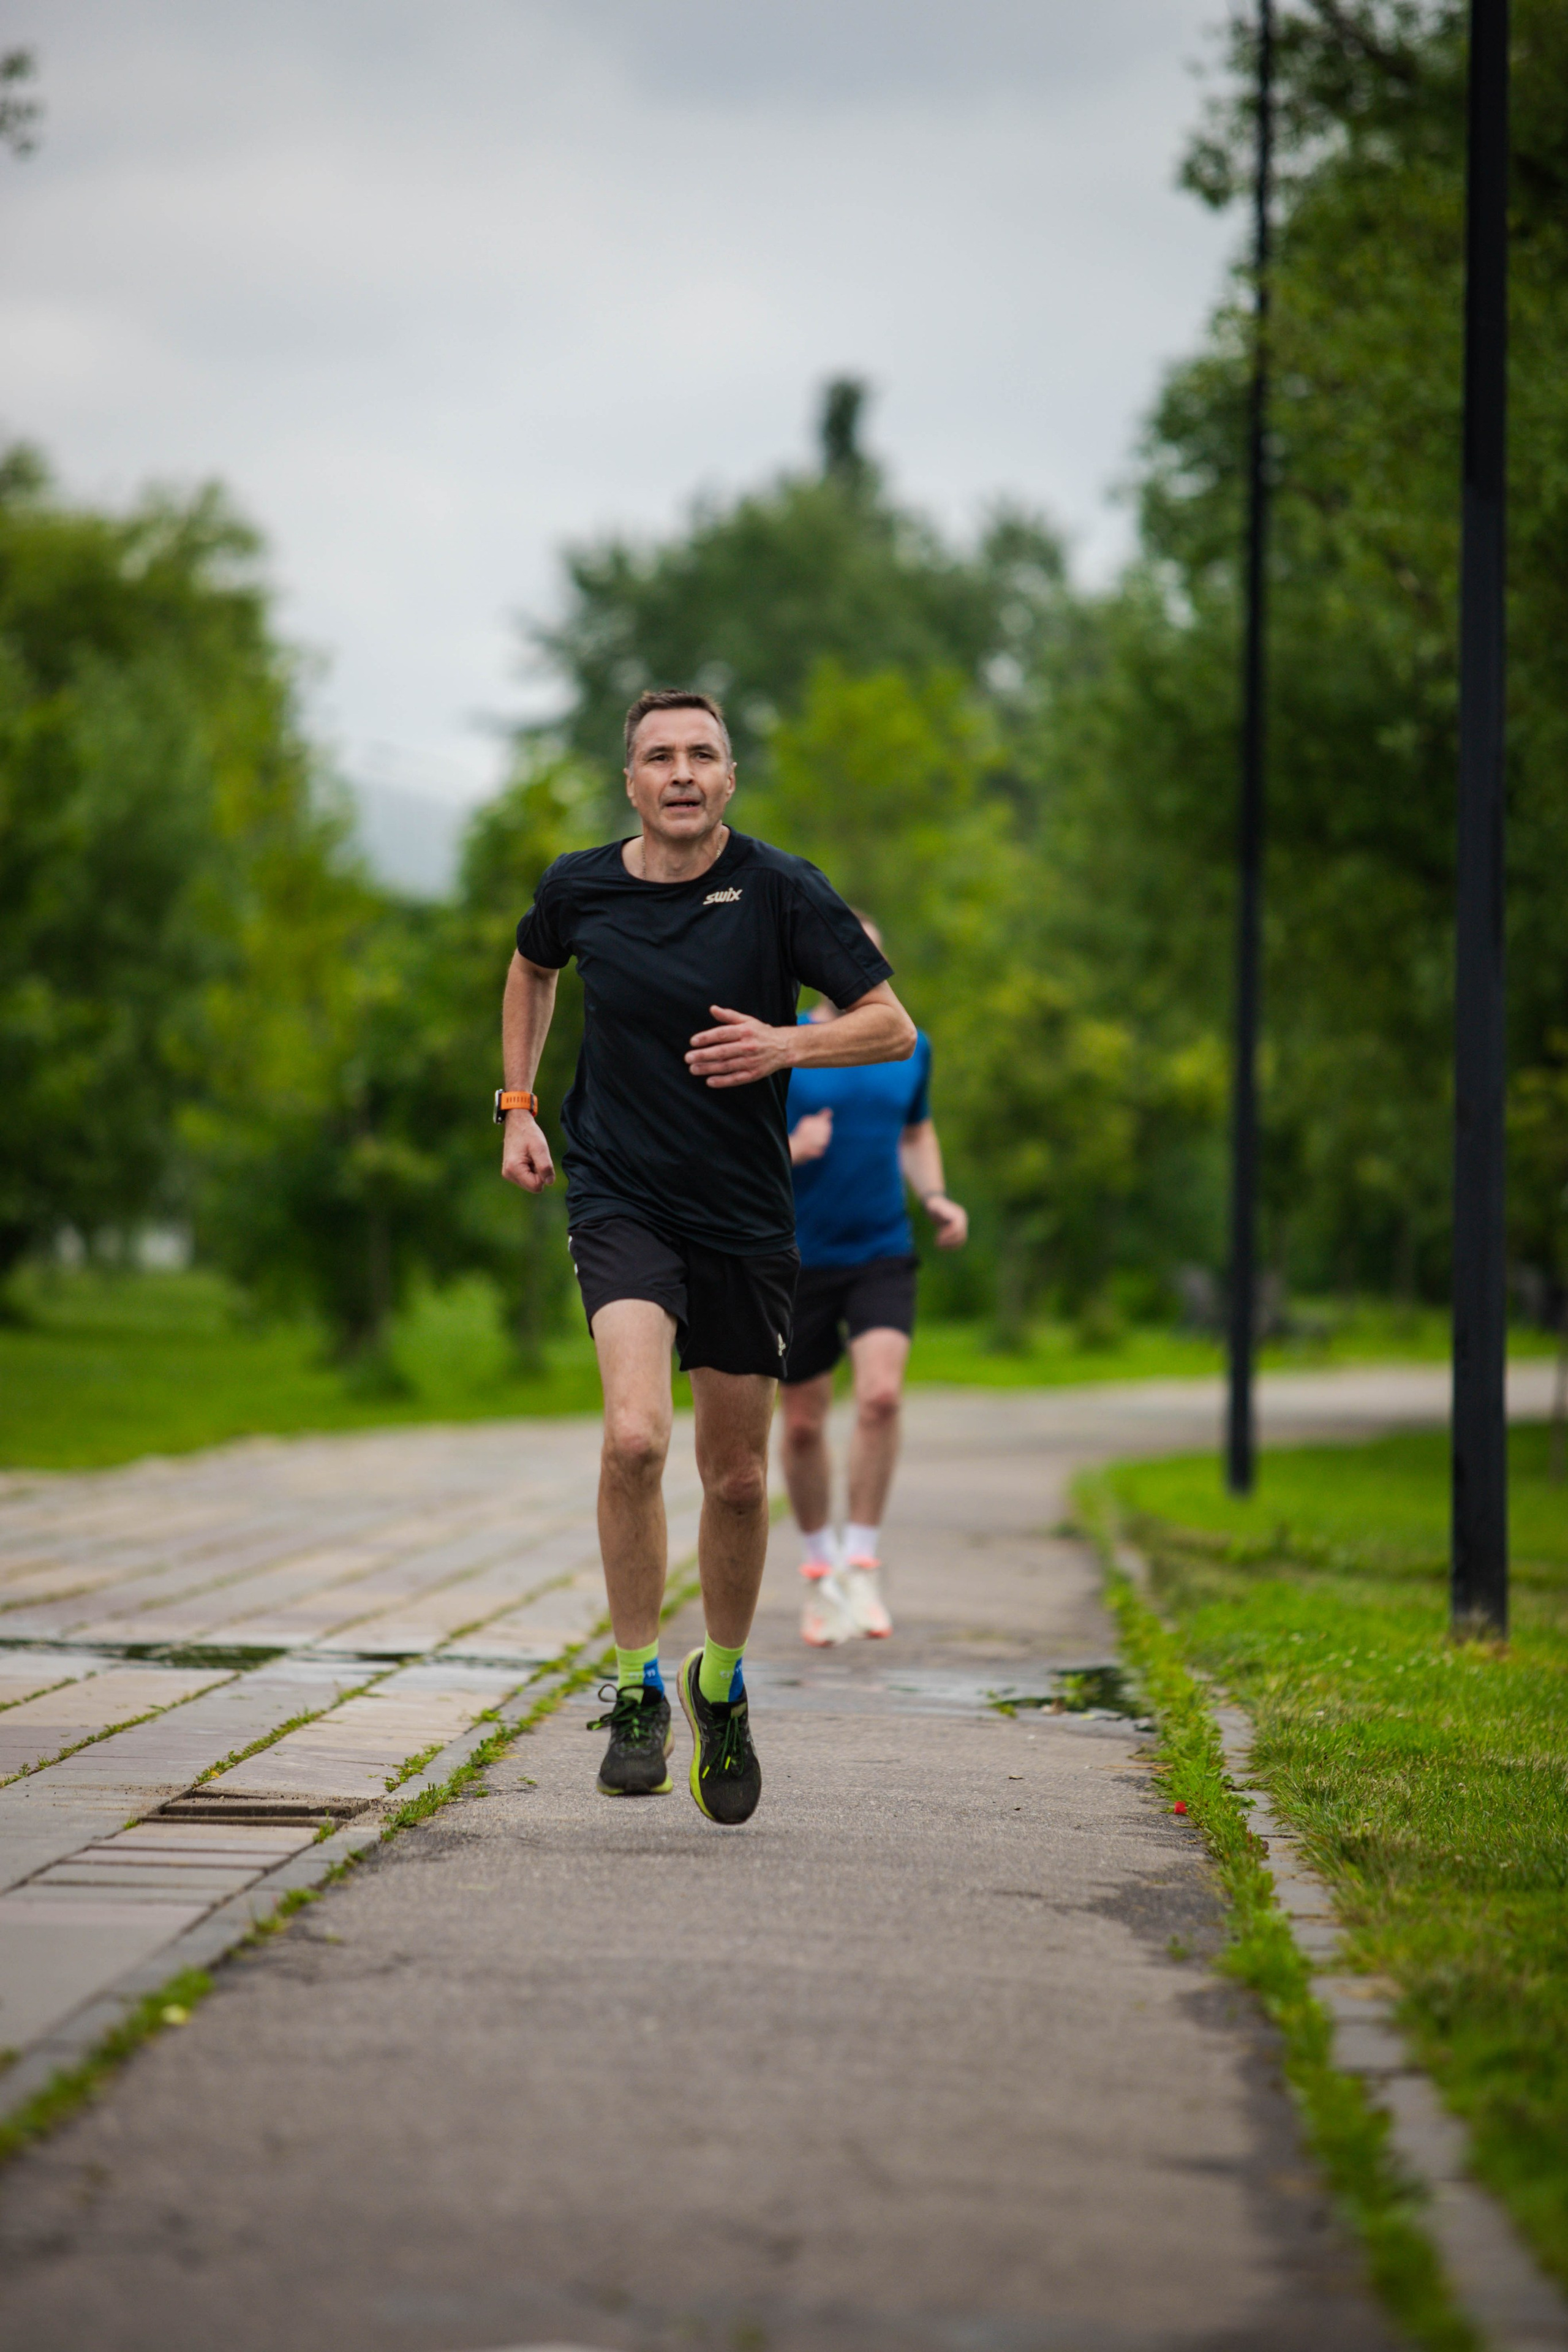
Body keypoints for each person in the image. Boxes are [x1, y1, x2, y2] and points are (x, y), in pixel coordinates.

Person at [499, 690, 914, 1825]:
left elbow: (891, 1026)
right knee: (635, 1437)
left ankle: (718, 1686)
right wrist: (519, 1104)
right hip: (621, 1196)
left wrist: (788, 1043)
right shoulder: (580, 887)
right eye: (658, 756)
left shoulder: (780, 889)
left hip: (743, 1212)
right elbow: (532, 967)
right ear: (630, 782)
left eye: (702, 755)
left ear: (729, 778)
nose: (680, 772)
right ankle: (637, 1687)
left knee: (736, 1478)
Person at [777, 922, 968, 1646]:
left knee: (881, 1398)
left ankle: (861, 1561)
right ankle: (819, 1573)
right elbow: (733, 1144)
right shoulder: (784, 1041)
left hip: (881, 1248)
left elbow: (916, 1132)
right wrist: (791, 1149)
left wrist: (936, 1196)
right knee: (801, 1422)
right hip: (796, 1257)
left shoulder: (909, 1043)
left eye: (867, 952)